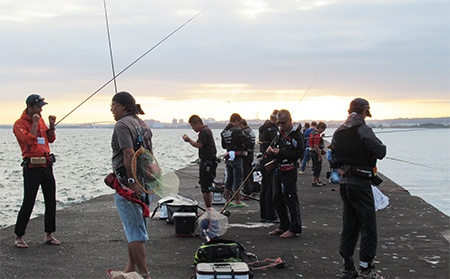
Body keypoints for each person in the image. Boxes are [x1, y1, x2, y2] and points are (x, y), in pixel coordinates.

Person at [331, 98, 387, 279]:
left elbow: (333, 156)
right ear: (364, 112)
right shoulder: (363, 129)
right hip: (361, 183)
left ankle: (348, 266)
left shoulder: (339, 131)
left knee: (349, 225)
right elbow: (380, 152)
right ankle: (366, 268)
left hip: (344, 183)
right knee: (368, 227)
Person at [110, 91, 154, 279]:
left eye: (113, 105)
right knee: (134, 226)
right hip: (147, 184)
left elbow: (128, 154)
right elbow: (150, 155)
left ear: (122, 106)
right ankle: (130, 267)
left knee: (135, 230)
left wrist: (131, 183)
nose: (111, 109)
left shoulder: (121, 125)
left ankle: (144, 274)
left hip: (131, 185)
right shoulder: (142, 124)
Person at [12, 94, 60, 248]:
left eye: (42, 107)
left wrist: (51, 127)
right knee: (29, 201)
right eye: (38, 107)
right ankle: (19, 236)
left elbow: (50, 139)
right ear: (30, 107)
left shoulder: (40, 120)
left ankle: (49, 234)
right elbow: (29, 141)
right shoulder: (19, 124)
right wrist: (33, 123)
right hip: (32, 168)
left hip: (46, 165)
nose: (40, 110)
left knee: (51, 200)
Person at [266, 109, 304, 238]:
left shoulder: (296, 135)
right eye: (279, 122)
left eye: (283, 122)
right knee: (276, 197)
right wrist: (270, 152)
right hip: (278, 168)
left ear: (290, 120)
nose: (281, 125)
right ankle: (283, 224)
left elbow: (298, 153)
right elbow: (274, 147)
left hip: (289, 170)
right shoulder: (278, 134)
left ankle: (294, 227)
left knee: (290, 198)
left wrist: (280, 152)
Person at [182, 115, 218, 208]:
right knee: (206, 185)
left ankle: (208, 208)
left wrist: (189, 140)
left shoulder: (204, 131)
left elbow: (199, 145)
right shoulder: (206, 130)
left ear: (197, 123)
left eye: (193, 126)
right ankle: (208, 208)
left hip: (207, 162)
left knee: (205, 187)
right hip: (209, 161)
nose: (193, 128)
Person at [221, 113, 251, 207]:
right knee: (238, 178)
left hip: (229, 156)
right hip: (237, 156)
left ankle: (227, 200)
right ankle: (237, 200)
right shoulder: (237, 131)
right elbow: (247, 141)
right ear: (237, 121)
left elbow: (223, 145)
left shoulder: (224, 131)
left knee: (229, 179)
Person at [257, 110, 279, 222]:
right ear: (275, 119)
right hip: (270, 161)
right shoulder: (274, 131)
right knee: (271, 188)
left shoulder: (262, 129)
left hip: (263, 161)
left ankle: (264, 215)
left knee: (264, 188)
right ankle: (271, 215)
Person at [238, 119, 256, 195]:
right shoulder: (251, 131)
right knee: (250, 171)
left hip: (246, 154)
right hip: (251, 153)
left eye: (239, 125)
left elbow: (243, 143)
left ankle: (247, 190)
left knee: (245, 173)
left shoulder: (244, 132)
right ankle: (251, 188)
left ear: (242, 124)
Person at [309, 121, 327, 186]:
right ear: (320, 128)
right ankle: (314, 181)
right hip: (315, 152)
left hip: (312, 151)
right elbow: (316, 146)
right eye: (323, 129)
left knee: (316, 166)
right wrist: (319, 155)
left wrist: (321, 137)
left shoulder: (313, 132)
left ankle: (318, 180)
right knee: (317, 167)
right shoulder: (316, 135)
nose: (322, 131)